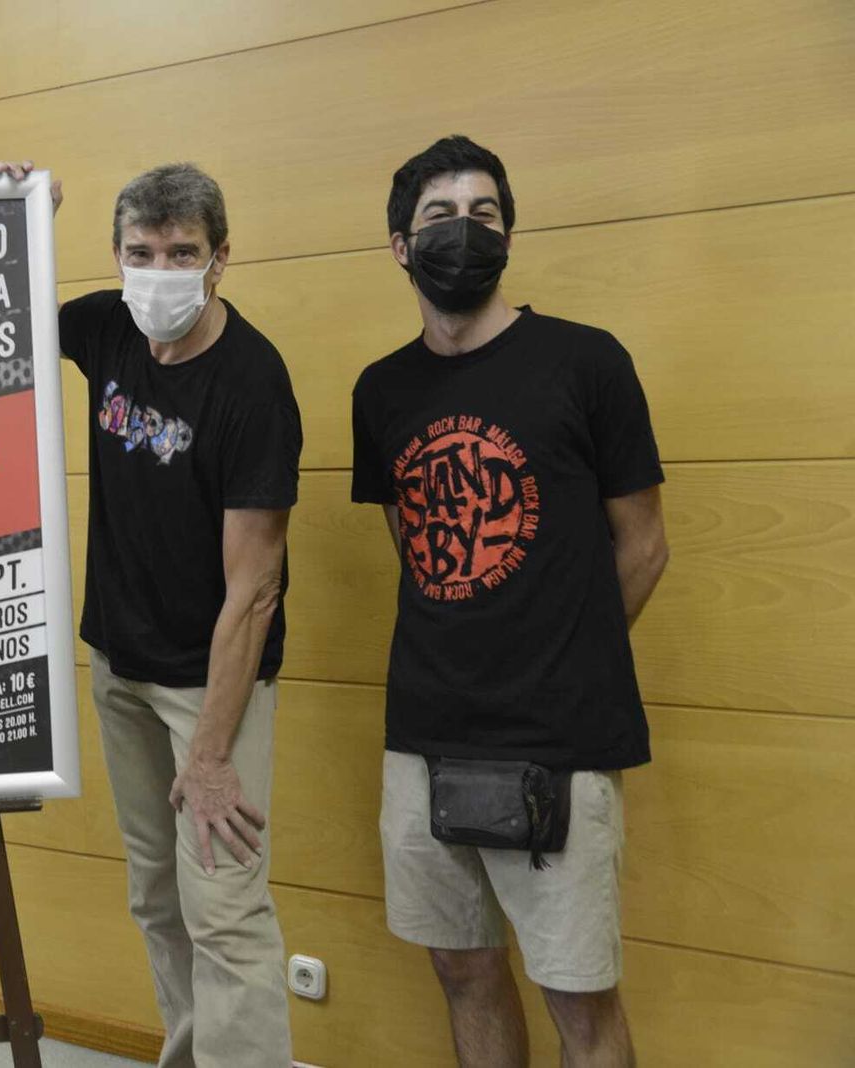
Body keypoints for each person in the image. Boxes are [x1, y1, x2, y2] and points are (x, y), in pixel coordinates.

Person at [350, 135, 669, 1067]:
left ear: (509, 236)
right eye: (440, 217)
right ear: (401, 248)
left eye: (484, 215)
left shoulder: (587, 362)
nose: (464, 232)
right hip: (424, 736)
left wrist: (563, 653)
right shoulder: (381, 390)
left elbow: (644, 546)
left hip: (560, 742)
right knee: (463, 972)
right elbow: (414, 544)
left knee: (579, 996)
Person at [0, 159, 300, 1067]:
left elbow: (256, 591)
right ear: (117, 256)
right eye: (141, 252)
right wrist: (18, 215)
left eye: (181, 252)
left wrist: (209, 756)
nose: (158, 271)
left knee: (226, 910)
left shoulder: (253, 384)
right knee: (159, 899)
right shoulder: (108, 327)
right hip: (118, 668)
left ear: (219, 259)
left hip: (211, 685)